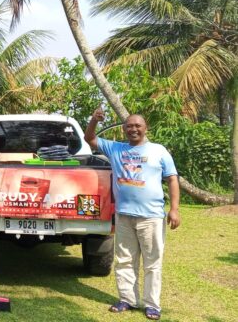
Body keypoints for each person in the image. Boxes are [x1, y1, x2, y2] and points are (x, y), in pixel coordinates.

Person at [84, 108, 180, 321]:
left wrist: (174, 209)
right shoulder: (115, 148)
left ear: (146, 128)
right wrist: (94, 120)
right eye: (129, 126)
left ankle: (152, 304)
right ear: (124, 129)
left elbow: (172, 179)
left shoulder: (159, 151)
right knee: (125, 259)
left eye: (137, 125)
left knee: (152, 261)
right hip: (124, 215)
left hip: (151, 216)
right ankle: (127, 299)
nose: (133, 129)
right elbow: (89, 138)